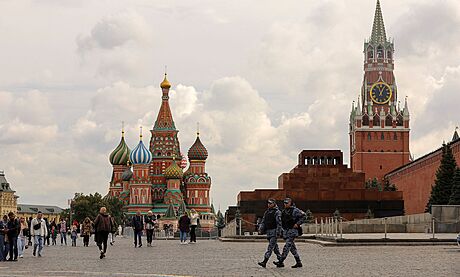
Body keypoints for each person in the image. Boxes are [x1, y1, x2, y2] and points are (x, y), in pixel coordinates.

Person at [273, 198, 306, 268]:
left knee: (287, 246)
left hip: (292, 231)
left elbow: (304, 216)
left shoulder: (295, 210)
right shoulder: (284, 211)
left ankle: (281, 261)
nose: (285, 204)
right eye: (284, 203)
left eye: (287, 203)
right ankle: (298, 262)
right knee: (292, 248)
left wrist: (297, 224)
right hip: (286, 231)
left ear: (290, 203)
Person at [257, 199, 283, 268]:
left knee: (270, 247)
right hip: (269, 232)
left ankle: (264, 261)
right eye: (268, 203)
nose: (269, 204)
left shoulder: (277, 212)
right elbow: (263, 221)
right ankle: (281, 261)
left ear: (274, 204)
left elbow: (279, 223)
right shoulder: (267, 212)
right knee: (275, 248)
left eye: (270, 203)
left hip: (274, 232)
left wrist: (278, 232)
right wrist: (260, 229)